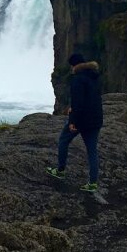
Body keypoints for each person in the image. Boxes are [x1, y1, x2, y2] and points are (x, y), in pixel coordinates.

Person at [46, 53, 103, 192]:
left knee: (63, 140)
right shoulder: (94, 77)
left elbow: (78, 103)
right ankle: (93, 183)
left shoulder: (77, 79)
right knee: (92, 151)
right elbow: (93, 98)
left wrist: (73, 121)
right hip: (95, 118)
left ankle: (60, 171)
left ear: (74, 65)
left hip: (81, 119)